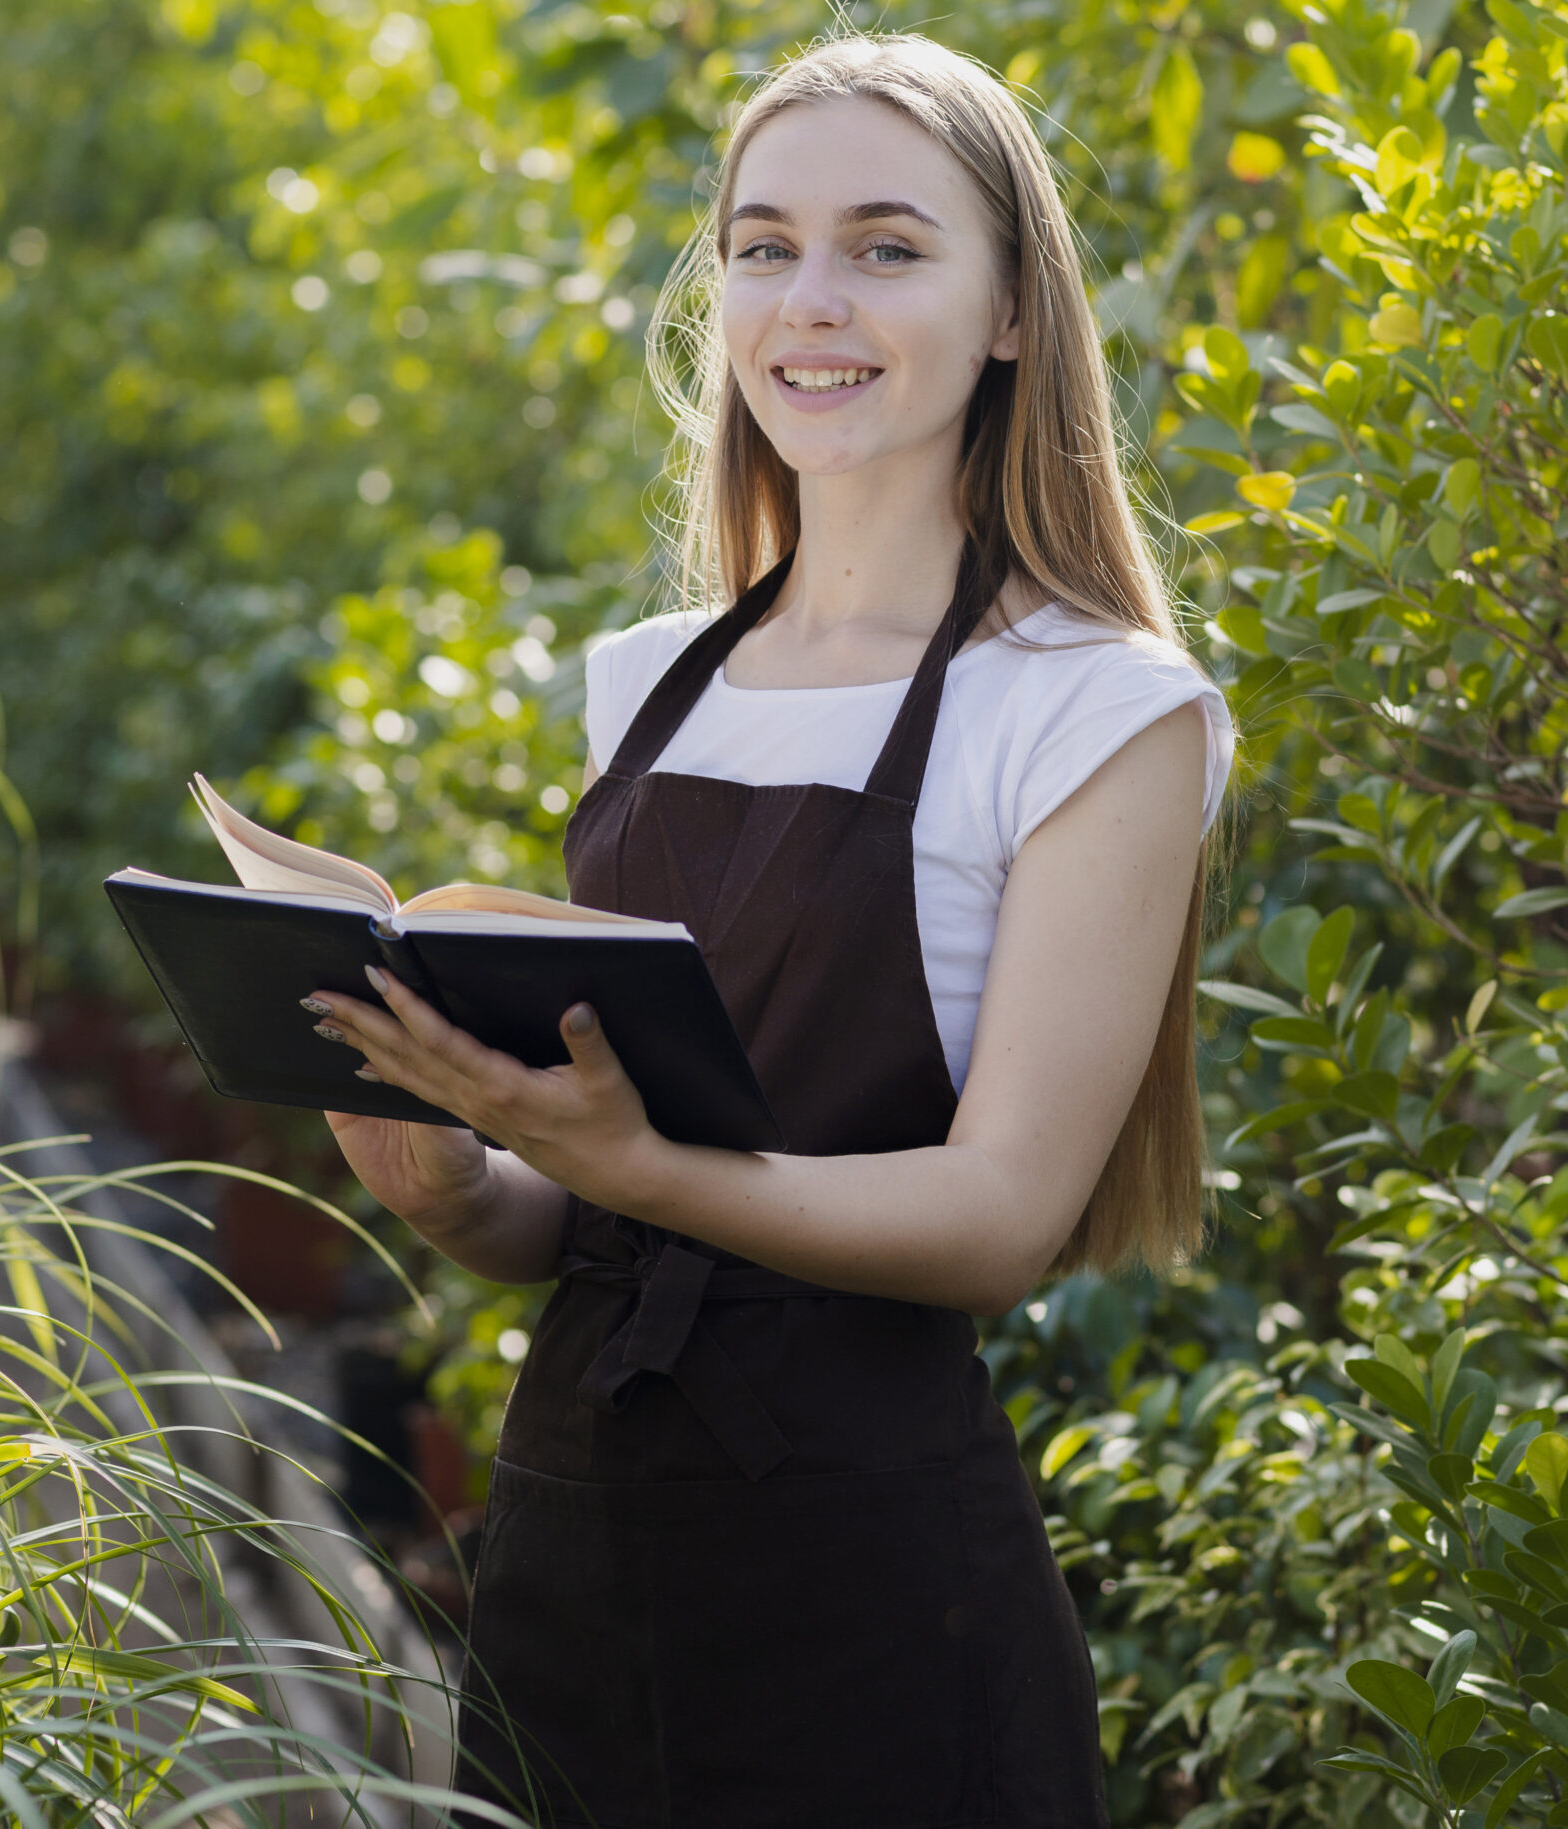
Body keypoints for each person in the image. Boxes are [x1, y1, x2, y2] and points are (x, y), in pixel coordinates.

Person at [299, 31, 1232, 1828]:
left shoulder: (1101, 709)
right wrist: (462, 1191)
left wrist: (628, 1167)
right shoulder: (652, 683)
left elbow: (991, 1220)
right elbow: (593, 1194)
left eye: (889, 246)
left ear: (1015, 310)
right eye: (763, 243)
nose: (816, 298)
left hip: (872, 1599)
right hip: (568, 1558)